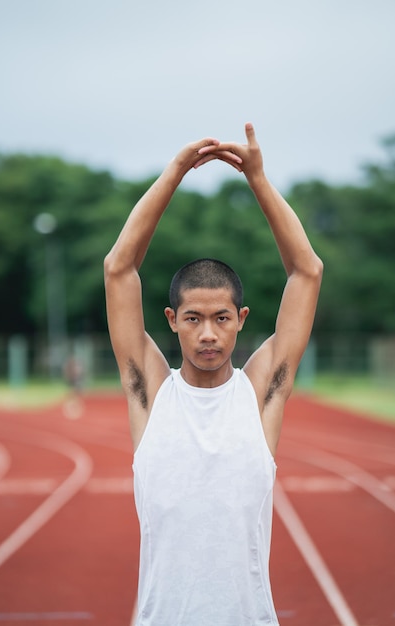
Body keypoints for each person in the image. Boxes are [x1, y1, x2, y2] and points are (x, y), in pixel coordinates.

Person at [104, 123, 323, 625]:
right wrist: (176, 172)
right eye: (193, 319)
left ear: (240, 321)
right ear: (172, 322)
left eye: (221, 318)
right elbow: (119, 269)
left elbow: (307, 271)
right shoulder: (152, 393)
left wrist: (259, 180)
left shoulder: (261, 393)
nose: (208, 334)